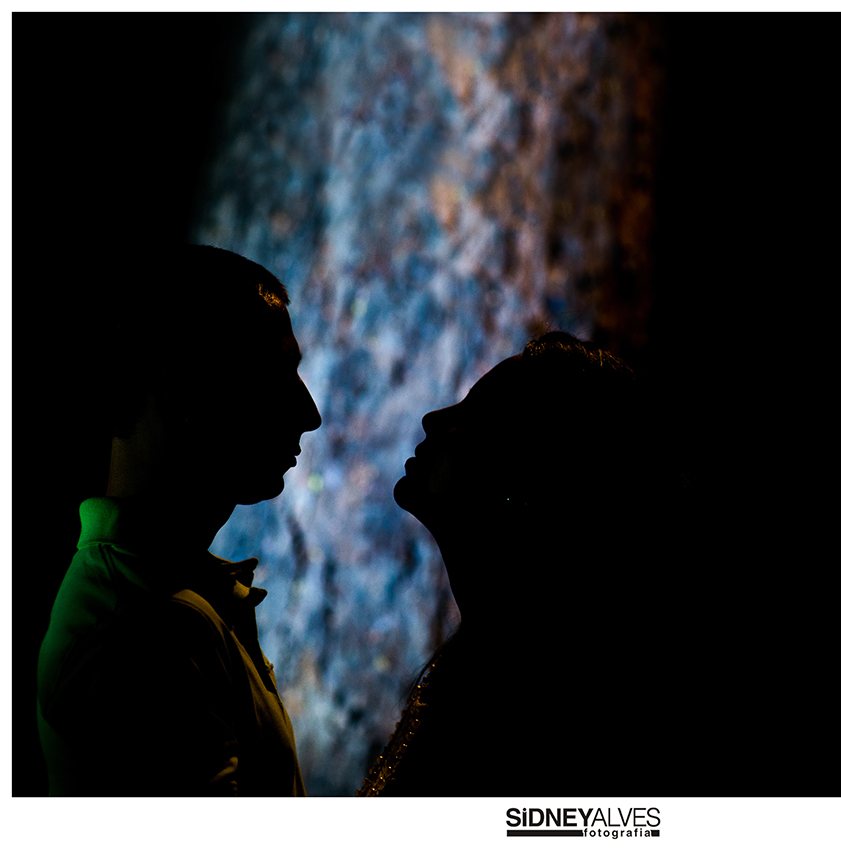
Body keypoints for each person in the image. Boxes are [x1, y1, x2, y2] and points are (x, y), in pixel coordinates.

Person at [37, 245, 322, 795]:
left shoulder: (158, 599)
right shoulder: (149, 638)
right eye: (276, 374)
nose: (309, 414)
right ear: (186, 388)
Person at [359, 331, 694, 796]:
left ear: (527, 476)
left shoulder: (539, 700)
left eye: (474, 415)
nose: (433, 418)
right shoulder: (504, 660)